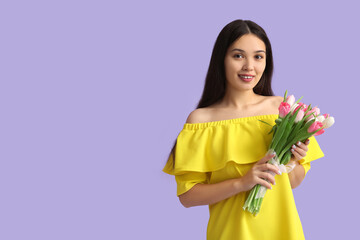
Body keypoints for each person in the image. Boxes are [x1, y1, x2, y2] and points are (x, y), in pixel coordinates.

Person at [162, 19, 324, 240]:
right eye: (238, 56)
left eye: (258, 56)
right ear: (222, 59)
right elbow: (188, 196)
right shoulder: (201, 121)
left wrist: (293, 161)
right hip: (230, 233)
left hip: (283, 231)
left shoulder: (284, 111)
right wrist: (242, 183)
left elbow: (292, 183)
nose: (249, 66)